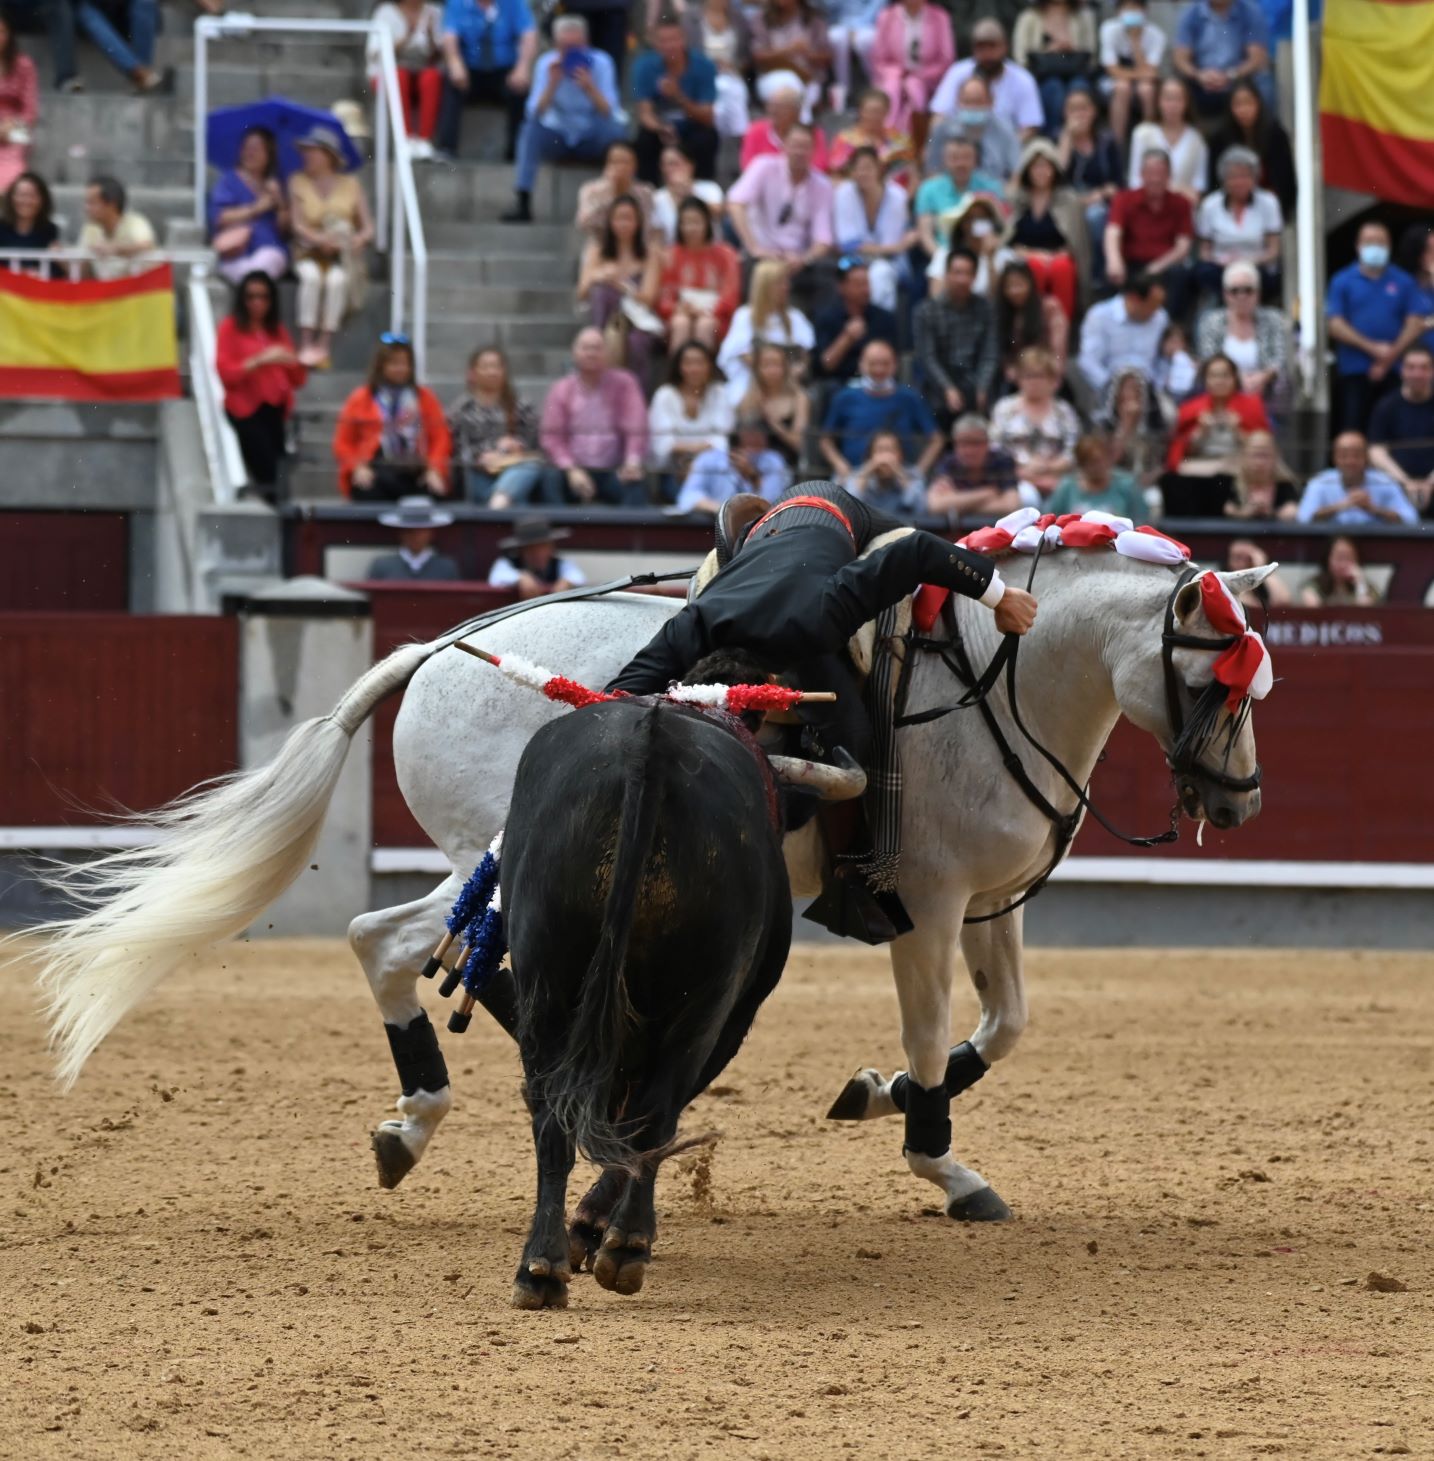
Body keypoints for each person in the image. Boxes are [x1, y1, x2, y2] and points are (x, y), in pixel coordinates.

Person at [606, 479, 1039, 942]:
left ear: (771, 698)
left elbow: (916, 549)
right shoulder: (695, 624)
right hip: (764, 541)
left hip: (841, 511)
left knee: (852, 739)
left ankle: (853, 867)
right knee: (846, 740)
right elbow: (618, 695)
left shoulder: (816, 616)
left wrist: (1000, 595)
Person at [500, 14, 627, 224]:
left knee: (616, 131)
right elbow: (534, 112)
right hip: (558, 135)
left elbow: (610, 111)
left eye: (575, 47)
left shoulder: (602, 62)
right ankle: (523, 201)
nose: (570, 52)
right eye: (565, 47)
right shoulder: (546, 64)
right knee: (529, 130)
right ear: (556, 45)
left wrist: (589, 87)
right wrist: (552, 85)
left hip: (591, 134)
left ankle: (619, 199)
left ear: (586, 44)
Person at [1325, 220, 1426, 435]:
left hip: (1395, 371)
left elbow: (1415, 323)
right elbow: (1334, 325)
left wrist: (1389, 356)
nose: (1375, 247)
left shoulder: (1404, 281)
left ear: (1389, 246)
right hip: (1354, 372)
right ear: (1358, 245)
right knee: (1353, 430)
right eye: (1369, 242)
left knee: (1394, 431)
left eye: (1381, 242)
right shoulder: (1342, 280)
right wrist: (1373, 348)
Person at [215, 271, 306, 499]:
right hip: (245, 410)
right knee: (267, 470)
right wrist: (260, 360)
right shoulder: (230, 328)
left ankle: (281, 510)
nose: (257, 303)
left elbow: (297, 379)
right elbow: (226, 373)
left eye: (264, 297)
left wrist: (296, 361)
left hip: (274, 409)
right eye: (251, 296)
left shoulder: (276, 330)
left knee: (279, 470)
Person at [289, 126, 374, 369]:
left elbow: (368, 228)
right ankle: (306, 342)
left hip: (342, 254)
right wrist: (320, 240)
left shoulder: (351, 184)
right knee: (311, 278)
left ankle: (323, 344)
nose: (307, 156)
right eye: (306, 151)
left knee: (337, 281)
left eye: (312, 151)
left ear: (328, 155)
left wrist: (357, 241)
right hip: (308, 251)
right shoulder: (298, 181)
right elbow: (297, 225)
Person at [539, 326, 650, 505]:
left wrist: (632, 461)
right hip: (574, 469)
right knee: (550, 478)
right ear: (574, 353)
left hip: (613, 469)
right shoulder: (561, 388)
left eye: (597, 348)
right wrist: (571, 469)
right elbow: (551, 438)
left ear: (607, 353)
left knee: (635, 484)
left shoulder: (625, 383)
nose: (591, 353)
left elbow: (637, 426)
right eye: (585, 348)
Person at [333, 335, 452, 501]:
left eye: (405, 363)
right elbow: (343, 443)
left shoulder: (425, 397)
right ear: (381, 366)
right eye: (394, 363)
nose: (400, 369)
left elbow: (440, 438)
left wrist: (435, 470)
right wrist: (357, 467)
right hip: (376, 469)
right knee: (368, 492)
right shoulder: (361, 398)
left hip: (416, 470)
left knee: (432, 494)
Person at [726, 124, 834, 289]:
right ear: (784, 145)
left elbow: (823, 239)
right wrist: (754, 247)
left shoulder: (822, 185)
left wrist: (805, 259)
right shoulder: (763, 166)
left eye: (805, 147)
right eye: (795, 145)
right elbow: (735, 204)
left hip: (797, 259)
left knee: (826, 274)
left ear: (814, 150)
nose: (799, 152)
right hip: (761, 253)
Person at [1162, 352, 1270, 516]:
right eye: (1214, 376)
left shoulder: (1252, 406)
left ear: (1234, 378)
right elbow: (1179, 454)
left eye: (1225, 375)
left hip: (1239, 466)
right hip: (1201, 467)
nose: (1219, 381)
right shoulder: (1190, 408)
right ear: (1205, 380)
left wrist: (1237, 431)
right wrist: (1200, 433)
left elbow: (1264, 448)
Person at [820, 337, 941, 482]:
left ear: (895, 364)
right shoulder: (845, 397)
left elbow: (936, 439)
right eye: (873, 363)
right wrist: (840, 465)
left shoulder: (909, 398)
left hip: (899, 476)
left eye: (885, 363)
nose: (879, 369)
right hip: (854, 474)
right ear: (861, 364)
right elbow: (825, 439)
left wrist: (918, 471)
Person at [447, 344, 551, 506]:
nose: (492, 372)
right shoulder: (461, 409)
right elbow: (457, 450)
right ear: (473, 373)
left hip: (515, 469)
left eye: (497, 367)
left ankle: (499, 502)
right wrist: (485, 455)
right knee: (518, 500)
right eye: (485, 367)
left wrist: (516, 446)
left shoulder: (522, 406)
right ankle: (501, 501)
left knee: (530, 467)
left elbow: (535, 447)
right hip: (477, 473)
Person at [576, 193, 663, 385]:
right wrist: (599, 275)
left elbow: (649, 298)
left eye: (628, 218)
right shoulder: (598, 251)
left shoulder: (649, 254)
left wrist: (624, 286)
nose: (623, 224)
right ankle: (598, 341)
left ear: (638, 222)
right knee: (601, 291)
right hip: (608, 318)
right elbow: (581, 291)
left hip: (638, 320)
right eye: (619, 218)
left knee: (637, 343)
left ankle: (636, 396)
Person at [435, 0, 535, 163]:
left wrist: (523, 67)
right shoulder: (457, 3)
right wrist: (455, 63)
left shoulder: (514, 3)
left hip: (503, 70)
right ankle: (446, 148)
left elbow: (528, 35)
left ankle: (517, 152)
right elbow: (450, 36)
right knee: (451, 82)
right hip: (469, 70)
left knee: (520, 88)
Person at [1002, 137, 1085, 323]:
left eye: (1046, 166)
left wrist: (1058, 255)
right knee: (1034, 267)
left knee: (1062, 267)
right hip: (1024, 255)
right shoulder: (1017, 199)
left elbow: (1076, 242)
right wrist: (1032, 254)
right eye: (1036, 167)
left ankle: (1062, 327)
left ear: (1054, 169)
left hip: (1058, 256)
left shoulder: (1068, 200)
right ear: (1028, 170)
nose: (1041, 172)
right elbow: (1008, 239)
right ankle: (1032, 328)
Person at [914, 248, 1000, 424]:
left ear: (975, 277)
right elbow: (928, 357)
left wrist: (982, 387)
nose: (962, 279)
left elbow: (990, 353)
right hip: (940, 385)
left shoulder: (986, 308)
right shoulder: (926, 311)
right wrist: (948, 388)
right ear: (947, 274)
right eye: (957, 273)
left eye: (968, 273)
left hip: (976, 382)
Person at [1104, 149, 1193, 318]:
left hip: (1164, 265)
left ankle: (1171, 325)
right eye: (1151, 173)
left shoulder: (1181, 203)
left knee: (1180, 274)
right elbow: (1113, 232)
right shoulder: (1124, 199)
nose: (1156, 179)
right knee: (1113, 272)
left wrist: (1155, 268)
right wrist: (1114, 260)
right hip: (1131, 264)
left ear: (1169, 176)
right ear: (1141, 174)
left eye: (1161, 173)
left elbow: (1183, 247)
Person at [631, 14, 718, 184]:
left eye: (674, 39)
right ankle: (649, 188)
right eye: (663, 41)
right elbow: (645, 113)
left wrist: (678, 96)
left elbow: (708, 117)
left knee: (708, 137)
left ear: (683, 39)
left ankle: (702, 188)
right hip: (661, 128)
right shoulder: (643, 66)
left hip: (692, 126)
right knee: (644, 139)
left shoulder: (705, 66)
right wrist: (661, 128)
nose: (669, 46)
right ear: (655, 43)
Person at [717, 261, 815, 405]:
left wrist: (794, 372)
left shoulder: (795, 317)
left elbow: (804, 356)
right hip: (752, 380)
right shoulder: (745, 316)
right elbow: (743, 354)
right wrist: (771, 374)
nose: (786, 287)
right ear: (765, 287)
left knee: (801, 401)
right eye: (780, 283)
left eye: (786, 282)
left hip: (790, 381)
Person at [990, 345, 1080, 502]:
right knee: (1028, 497)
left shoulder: (1064, 411)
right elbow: (996, 447)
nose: (1033, 382)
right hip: (1015, 478)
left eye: (1039, 376)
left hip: (1057, 477)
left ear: (1053, 379)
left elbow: (1074, 449)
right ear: (1019, 379)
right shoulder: (1004, 408)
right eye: (1028, 376)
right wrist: (1021, 471)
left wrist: (1049, 468)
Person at [831, 146, 916, 313]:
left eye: (868, 168)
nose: (863, 173)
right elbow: (847, 244)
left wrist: (891, 248)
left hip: (891, 264)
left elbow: (892, 251)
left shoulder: (897, 196)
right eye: (858, 169)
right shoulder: (844, 193)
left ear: (879, 169)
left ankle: (877, 322)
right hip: (851, 261)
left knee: (880, 273)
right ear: (852, 172)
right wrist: (895, 247)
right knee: (853, 274)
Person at [1194, 146, 1282, 303]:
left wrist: (1248, 262)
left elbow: (1274, 250)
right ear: (1224, 180)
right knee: (1204, 273)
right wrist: (1221, 261)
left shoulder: (1269, 202)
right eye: (1233, 177)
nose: (1239, 182)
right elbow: (1204, 251)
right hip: (1220, 267)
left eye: (1245, 176)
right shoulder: (1210, 205)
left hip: (1258, 266)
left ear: (1255, 178)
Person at [930, 19, 1044, 140]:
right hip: (961, 143)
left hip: (1009, 143)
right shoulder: (957, 73)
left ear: (1005, 46)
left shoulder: (1023, 79)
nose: (987, 53)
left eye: (992, 46)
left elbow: (1030, 126)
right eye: (981, 47)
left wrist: (1006, 148)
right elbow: (939, 116)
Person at [1195, 259, 1289, 404]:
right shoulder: (1211, 322)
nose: (1241, 296)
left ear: (1258, 293)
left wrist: (1262, 377)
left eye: (1248, 290)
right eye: (1234, 291)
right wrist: (1239, 379)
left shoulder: (1274, 319)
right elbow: (1209, 358)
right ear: (1225, 294)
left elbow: (1280, 358)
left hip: (1266, 395)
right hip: (1223, 396)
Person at [648, 339, 735, 496]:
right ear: (679, 366)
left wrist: (695, 461)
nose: (694, 369)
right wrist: (696, 453)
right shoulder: (664, 395)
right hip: (674, 470)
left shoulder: (719, 392)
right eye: (688, 363)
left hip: (712, 469)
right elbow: (662, 445)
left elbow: (721, 441)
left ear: (709, 366)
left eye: (700, 363)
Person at [913, 137, 1004, 283]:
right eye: (954, 158)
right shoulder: (928, 189)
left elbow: (1000, 227)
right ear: (945, 160)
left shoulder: (992, 188)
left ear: (976, 159)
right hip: (945, 253)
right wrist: (946, 260)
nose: (961, 163)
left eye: (966, 158)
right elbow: (926, 235)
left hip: (986, 253)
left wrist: (989, 253)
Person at [207, 126, 289, 285]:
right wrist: (256, 208)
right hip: (235, 252)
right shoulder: (229, 181)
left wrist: (280, 202)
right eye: (246, 147)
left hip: (269, 249)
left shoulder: (275, 184)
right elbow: (219, 217)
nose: (250, 153)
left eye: (256, 149)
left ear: (269, 154)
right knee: (251, 276)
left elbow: (285, 230)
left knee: (262, 268)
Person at [1057, 84, 1121, 283]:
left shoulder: (1106, 142)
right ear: (1065, 113)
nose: (1079, 114)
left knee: (1096, 216)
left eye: (1083, 108)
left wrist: (1099, 194)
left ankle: (1097, 274)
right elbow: (1055, 175)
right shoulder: (1056, 138)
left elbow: (1117, 185)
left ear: (1093, 111)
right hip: (1065, 201)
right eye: (1073, 109)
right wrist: (1067, 138)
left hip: (1097, 201)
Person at [658, 194, 741, 350]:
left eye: (696, 222)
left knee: (705, 325)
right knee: (681, 323)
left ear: (707, 223)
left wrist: (708, 311)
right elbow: (664, 296)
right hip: (680, 314)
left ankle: (704, 366)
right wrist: (677, 308)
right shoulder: (671, 255)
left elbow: (730, 295)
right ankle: (678, 366)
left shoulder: (726, 254)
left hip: (716, 318)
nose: (691, 228)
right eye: (686, 223)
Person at [1208, 78, 1295, 219]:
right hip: (1230, 209)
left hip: (1268, 208)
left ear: (1258, 103)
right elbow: (1214, 182)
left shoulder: (1275, 135)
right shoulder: (1220, 138)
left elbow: (1286, 180)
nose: (1244, 110)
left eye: (1248, 103)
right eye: (1238, 104)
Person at [867, 0, 954, 136]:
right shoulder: (886, 16)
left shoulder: (940, 17)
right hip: (894, 75)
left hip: (927, 79)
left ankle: (910, 138)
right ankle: (887, 136)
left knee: (914, 88)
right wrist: (897, 74)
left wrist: (922, 74)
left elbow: (946, 60)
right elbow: (879, 59)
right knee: (892, 88)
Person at [1172, 0, 1274, 117]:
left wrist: (1230, 75)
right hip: (1200, 80)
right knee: (1173, 88)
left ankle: (1264, 127)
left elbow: (1256, 58)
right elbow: (1180, 58)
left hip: (1239, 79)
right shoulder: (1191, 13)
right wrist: (1199, 75)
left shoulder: (1251, 12)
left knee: (1264, 82)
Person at [367, 0, 444, 154]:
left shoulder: (434, 12)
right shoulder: (385, 12)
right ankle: (405, 139)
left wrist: (430, 37)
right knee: (399, 76)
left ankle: (424, 141)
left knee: (432, 77)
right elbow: (375, 53)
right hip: (388, 73)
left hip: (421, 70)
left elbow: (439, 57)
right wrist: (406, 38)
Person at [1011, 0, 1097, 137]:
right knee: (1054, 88)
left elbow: (1091, 55)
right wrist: (1048, 51)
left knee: (1079, 88)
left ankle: (1083, 138)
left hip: (1076, 72)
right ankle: (1055, 137)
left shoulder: (1083, 16)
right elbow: (1020, 57)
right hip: (1042, 77)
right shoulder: (1028, 17)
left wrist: (1070, 49)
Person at [1296, 431, 1419, 526]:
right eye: (1344, 456)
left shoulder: (1385, 482)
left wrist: (1373, 509)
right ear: (1334, 458)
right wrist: (1342, 505)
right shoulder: (1320, 482)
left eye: (1356, 455)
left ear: (1366, 457)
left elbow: (1412, 519)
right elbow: (1303, 518)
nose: (1350, 461)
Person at [1075, 273, 1167, 399]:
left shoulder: (1161, 318)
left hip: (1150, 392)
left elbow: (1163, 360)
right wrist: (1113, 389)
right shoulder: (1099, 316)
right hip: (1109, 392)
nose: (1157, 311)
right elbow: (1088, 361)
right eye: (1153, 305)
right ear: (1134, 299)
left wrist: (1158, 387)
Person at [1368, 343, 1434, 517]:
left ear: (1432, 371)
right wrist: (1405, 482)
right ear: (1402, 371)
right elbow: (1376, 452)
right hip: (1395, 485)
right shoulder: (1386, 406)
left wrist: (1430, 483)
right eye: (1411, 367)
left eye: (1424, 368)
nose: (1417, 374)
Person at [675, 415, 791, 511]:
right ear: (735, 439)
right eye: (749, 436)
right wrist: (723, 511)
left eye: (759, 436)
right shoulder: (709, 459)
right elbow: (687, 498)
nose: (755, 440)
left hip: (758, 527)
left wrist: (753, 477)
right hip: (713, 522)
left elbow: (771, 506)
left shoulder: (773, 460)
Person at [812, 257, 899, 383]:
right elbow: (825, 364)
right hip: (840, 384)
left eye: (867, 283)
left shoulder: (884, 318)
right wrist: (847, 338)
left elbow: (894, 360)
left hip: (878, 383)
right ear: (841, 287)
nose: (865, 290)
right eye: (858, 285)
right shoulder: (827, 318)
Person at [924, 72, 1023, 181]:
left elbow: (1016, 171)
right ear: (958, 101)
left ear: (991, 101)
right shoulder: (943, 130)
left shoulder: (1005, 131)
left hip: (995, 188)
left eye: (978, 102)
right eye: (967, 102)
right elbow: (932, 171)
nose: (972, 107)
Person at [925, 413, 1022, 520]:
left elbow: (1011, 505)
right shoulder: (948, 463)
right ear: (955, 445)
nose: (969, 450)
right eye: (964, 443)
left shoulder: (1002, 460)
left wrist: (958, 504)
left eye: (976, 443)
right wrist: (987, 493)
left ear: (987, 443)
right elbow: (936, 505)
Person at [1126, 77, 1207, 204]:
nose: (1172, 105)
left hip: (1182, 206)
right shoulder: (1142, 133)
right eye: (1168, 99)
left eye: (1178, 99)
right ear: (1158, 101)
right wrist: (1171, 190)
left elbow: (1198, 184)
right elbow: (1135, 181)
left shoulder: (1196, 139)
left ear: (1186, 103)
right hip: (1146, 205)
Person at [992, 258, 1066, 396]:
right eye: (1009, 286)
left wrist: (1054, 372)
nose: (1015, 291)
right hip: (1015, 378)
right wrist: (1012, 371)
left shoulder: (1049, 307)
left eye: (1019, 284)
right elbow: (1002, 352)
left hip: (1046, 373)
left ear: (1030, 284)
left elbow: (1058, 348)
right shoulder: (1002, 314)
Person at [749, 0, 832, 119]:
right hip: (773, 77)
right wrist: (789, 50)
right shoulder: (762, 18)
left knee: (803, 91)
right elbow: (758, 56)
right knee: (789, 81)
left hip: (808, 79)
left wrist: (808, 54)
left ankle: (800, 123)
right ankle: (803, 123)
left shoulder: (813, 18)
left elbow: (827, 55)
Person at [681, 0, 751, 139]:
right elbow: (685, 52)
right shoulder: (689, 18)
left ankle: (736, 134)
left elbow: (746, 56)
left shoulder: (739, 18)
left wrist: (733, 66)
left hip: (732, 74)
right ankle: (741, 134)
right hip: (703, 76)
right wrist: (709, 66)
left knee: (730, 87)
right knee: (724, 88)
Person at [736, 339, 810, 465]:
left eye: (777, 365)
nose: (772, 371)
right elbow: (739, 437)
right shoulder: (750, 397)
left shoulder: (799, 397)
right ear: (757, 369)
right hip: (749, 460)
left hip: (783, 462)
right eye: (766, 365)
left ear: (785, 367)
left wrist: (773, 422)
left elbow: (799, 443)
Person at [1098, 0, 1161, 144]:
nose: (1131, 11)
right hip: (1111, 81)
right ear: (1118, 11)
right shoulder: (1109, 29)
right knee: (1122, 87)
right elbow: (1112, 69)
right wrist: (1141, 74)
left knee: (1147, 90)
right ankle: (1116, 143)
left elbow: (1151, 73)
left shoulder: (1156, 34)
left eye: (1135, 7)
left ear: (1144, 11)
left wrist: (1135, 41)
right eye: (1126, 7)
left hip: (1142, 82)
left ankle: (1149, 142)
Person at [1046, 432, 1146, 519]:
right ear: (1081, 464)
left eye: (1102, 460)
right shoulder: (1067, 488)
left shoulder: (1126, 485)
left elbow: (1141, 520)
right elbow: (1051, 519)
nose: (1099, 466)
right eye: (1092, 462)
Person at [74, 0, 166, 93]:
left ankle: (143, 72)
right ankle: (138, 72)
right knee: (85, 11)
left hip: (123, 11)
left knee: (145, 2)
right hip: (87, 10)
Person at [575, 139, 657, 241]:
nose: (620, 167)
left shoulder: (646, 192)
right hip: (601, 245)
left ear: (635, 165)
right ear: (606, 165)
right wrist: (609, 192)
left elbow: (647, 227)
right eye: (614, 162)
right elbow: (584, 223)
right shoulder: (591, 190)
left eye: (625, 162)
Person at [78, 175, 156, 281]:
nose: (86, 208)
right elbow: (82, 272)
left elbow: (146, 245)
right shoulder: (89, 229)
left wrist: (116, 250)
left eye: (92, 203)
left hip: (139, 289)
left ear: (112, 204)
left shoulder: (135, 223)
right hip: (106, 290)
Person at [737, 83, 829, 172]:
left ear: (797, 111)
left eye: (780, 107)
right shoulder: (755, 131)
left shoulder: (812, 133)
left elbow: (819, 166)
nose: (773, 111)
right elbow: (748, 166)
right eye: (771, 105)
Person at [829, 89, 914, 185]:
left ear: (887, 111)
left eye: (878, 111)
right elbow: (836, 173)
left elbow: (911, 172)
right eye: (869, 111)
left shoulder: (899, 140)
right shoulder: (846, 139)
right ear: (860, 111)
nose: (873, 116)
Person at [1097, 366, 1165, 485]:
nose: (1130, 396)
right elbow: (1106, 465)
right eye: (1125, 390)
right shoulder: (1104, 430)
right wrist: (1126, 425)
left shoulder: (1154, 430)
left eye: (1136, 391)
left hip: (1146, 485)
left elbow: (1160, 465)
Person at [487, 517, 587, 598]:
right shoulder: (507, 563)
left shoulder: (561, 564)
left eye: (542, 547)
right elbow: (495, 578)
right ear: (521, 550)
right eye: (531, 548)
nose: (537, 554)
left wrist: (567, 582)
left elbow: (579, 578)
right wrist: (520, 578)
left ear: (551, 548)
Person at [367, 497, 462, 580]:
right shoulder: (382, 566)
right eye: (410, 531)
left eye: (421, 531)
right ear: (401, 533)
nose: (415, 536)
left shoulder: (446, 568)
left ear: (431, 533)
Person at [845, 427, 926, 517]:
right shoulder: (858, 475)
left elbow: (919, 508)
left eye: (891, 450)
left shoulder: (913, 474)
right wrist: (868, 470)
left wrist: (899, 472)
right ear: (870, 455)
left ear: (901, 454)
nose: (885, 457)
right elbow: (849, 506)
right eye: (880, 450)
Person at [651, 143, 724, 243]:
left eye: (674, 164)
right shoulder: (657, 198)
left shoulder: (710, 188)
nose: (670, 169)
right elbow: (656, 236)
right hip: (673, 249)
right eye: (665, 165)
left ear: (690, 165)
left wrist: (689, 193)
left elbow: (718, 213)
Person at [0, 15, 38, 195]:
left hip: (14, 126)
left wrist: (12, 125)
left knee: (11, 169)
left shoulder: (23, 64)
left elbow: (30, 109)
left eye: (1, 31)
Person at [1224, 429, 1298, 520]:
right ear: (1243, 456)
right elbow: (1224, 511)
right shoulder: (1229, 484)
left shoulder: (1286, 486)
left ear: (1276, 457)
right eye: (1255, 455)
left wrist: (1272, 513)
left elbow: (1292, 512)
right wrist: (1243, 513)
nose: (1260, 462)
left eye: (1265, 455)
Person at [824, 0, 883, 114]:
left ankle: (876, 85)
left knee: (864, 40)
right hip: (840, 25)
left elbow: (877, 8)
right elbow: (828, 8)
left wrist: (855, 27)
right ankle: (843, 92)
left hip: (868, 25)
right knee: (836, 38)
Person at [0, 170, 59, 277]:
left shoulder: (49, 230)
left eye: (32, 195)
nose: (26, 201)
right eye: (21, 195)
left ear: (43, 200)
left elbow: (54, 271)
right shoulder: (1, 228)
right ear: (11, 198)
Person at [1299, 536, 1377, 608]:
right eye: (1339, 558)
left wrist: (1360, 584)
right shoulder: (1313, 585)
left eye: (1348, 558)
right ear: (1327, 559)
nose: (1343, 564)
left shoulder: (1366, 587)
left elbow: (1364, 610)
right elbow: (1313, 608)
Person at [1225, 537, 1290, 610]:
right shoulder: (1223, 585)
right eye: (1238, 558)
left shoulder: (1263, 584)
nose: (1242, 564)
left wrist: (1263, 568)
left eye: (1248, 559)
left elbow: (1282, 602)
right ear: (1228, 562)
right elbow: (1247, 605)